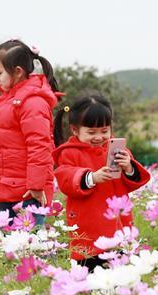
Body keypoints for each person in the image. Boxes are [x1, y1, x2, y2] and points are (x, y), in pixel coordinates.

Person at [0, 39, 62, 227]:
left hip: (28, 193)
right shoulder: (8, 100)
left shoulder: (32, 102)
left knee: (29, 246)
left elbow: (40, 146)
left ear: (18, 71)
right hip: (9, 187)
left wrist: (35, 186)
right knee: (11, 248)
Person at [53, 93, 150, 269]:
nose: (99, 137)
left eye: (104, 130)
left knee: (122, 271)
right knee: (89, 271)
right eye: (91, 132)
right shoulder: (69, 152)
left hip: (118, 223)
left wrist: (128, 167)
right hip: (88, 224)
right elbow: (66, 180)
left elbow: (132, 182)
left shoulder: (118, 150)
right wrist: (91, 177)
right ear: (75, 130)